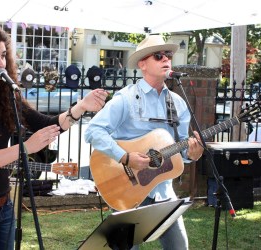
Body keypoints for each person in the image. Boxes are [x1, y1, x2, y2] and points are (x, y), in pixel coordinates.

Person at [0, 26, 108, 250]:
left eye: (2, 55)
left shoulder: (6, 96)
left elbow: (47, 124)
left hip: (3, 206)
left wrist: (81, 107)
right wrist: (25, 147)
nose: (1, 62)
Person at [85, 35, 204, 249]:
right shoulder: (126, 98)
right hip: (127, 190)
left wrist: (192, 153)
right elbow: (93, 130)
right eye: (158, 56)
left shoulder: (177, 103)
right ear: (143, 64)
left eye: (168, 55)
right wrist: (126, 157)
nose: (165, 59)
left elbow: (180, 150)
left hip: (164, 193)